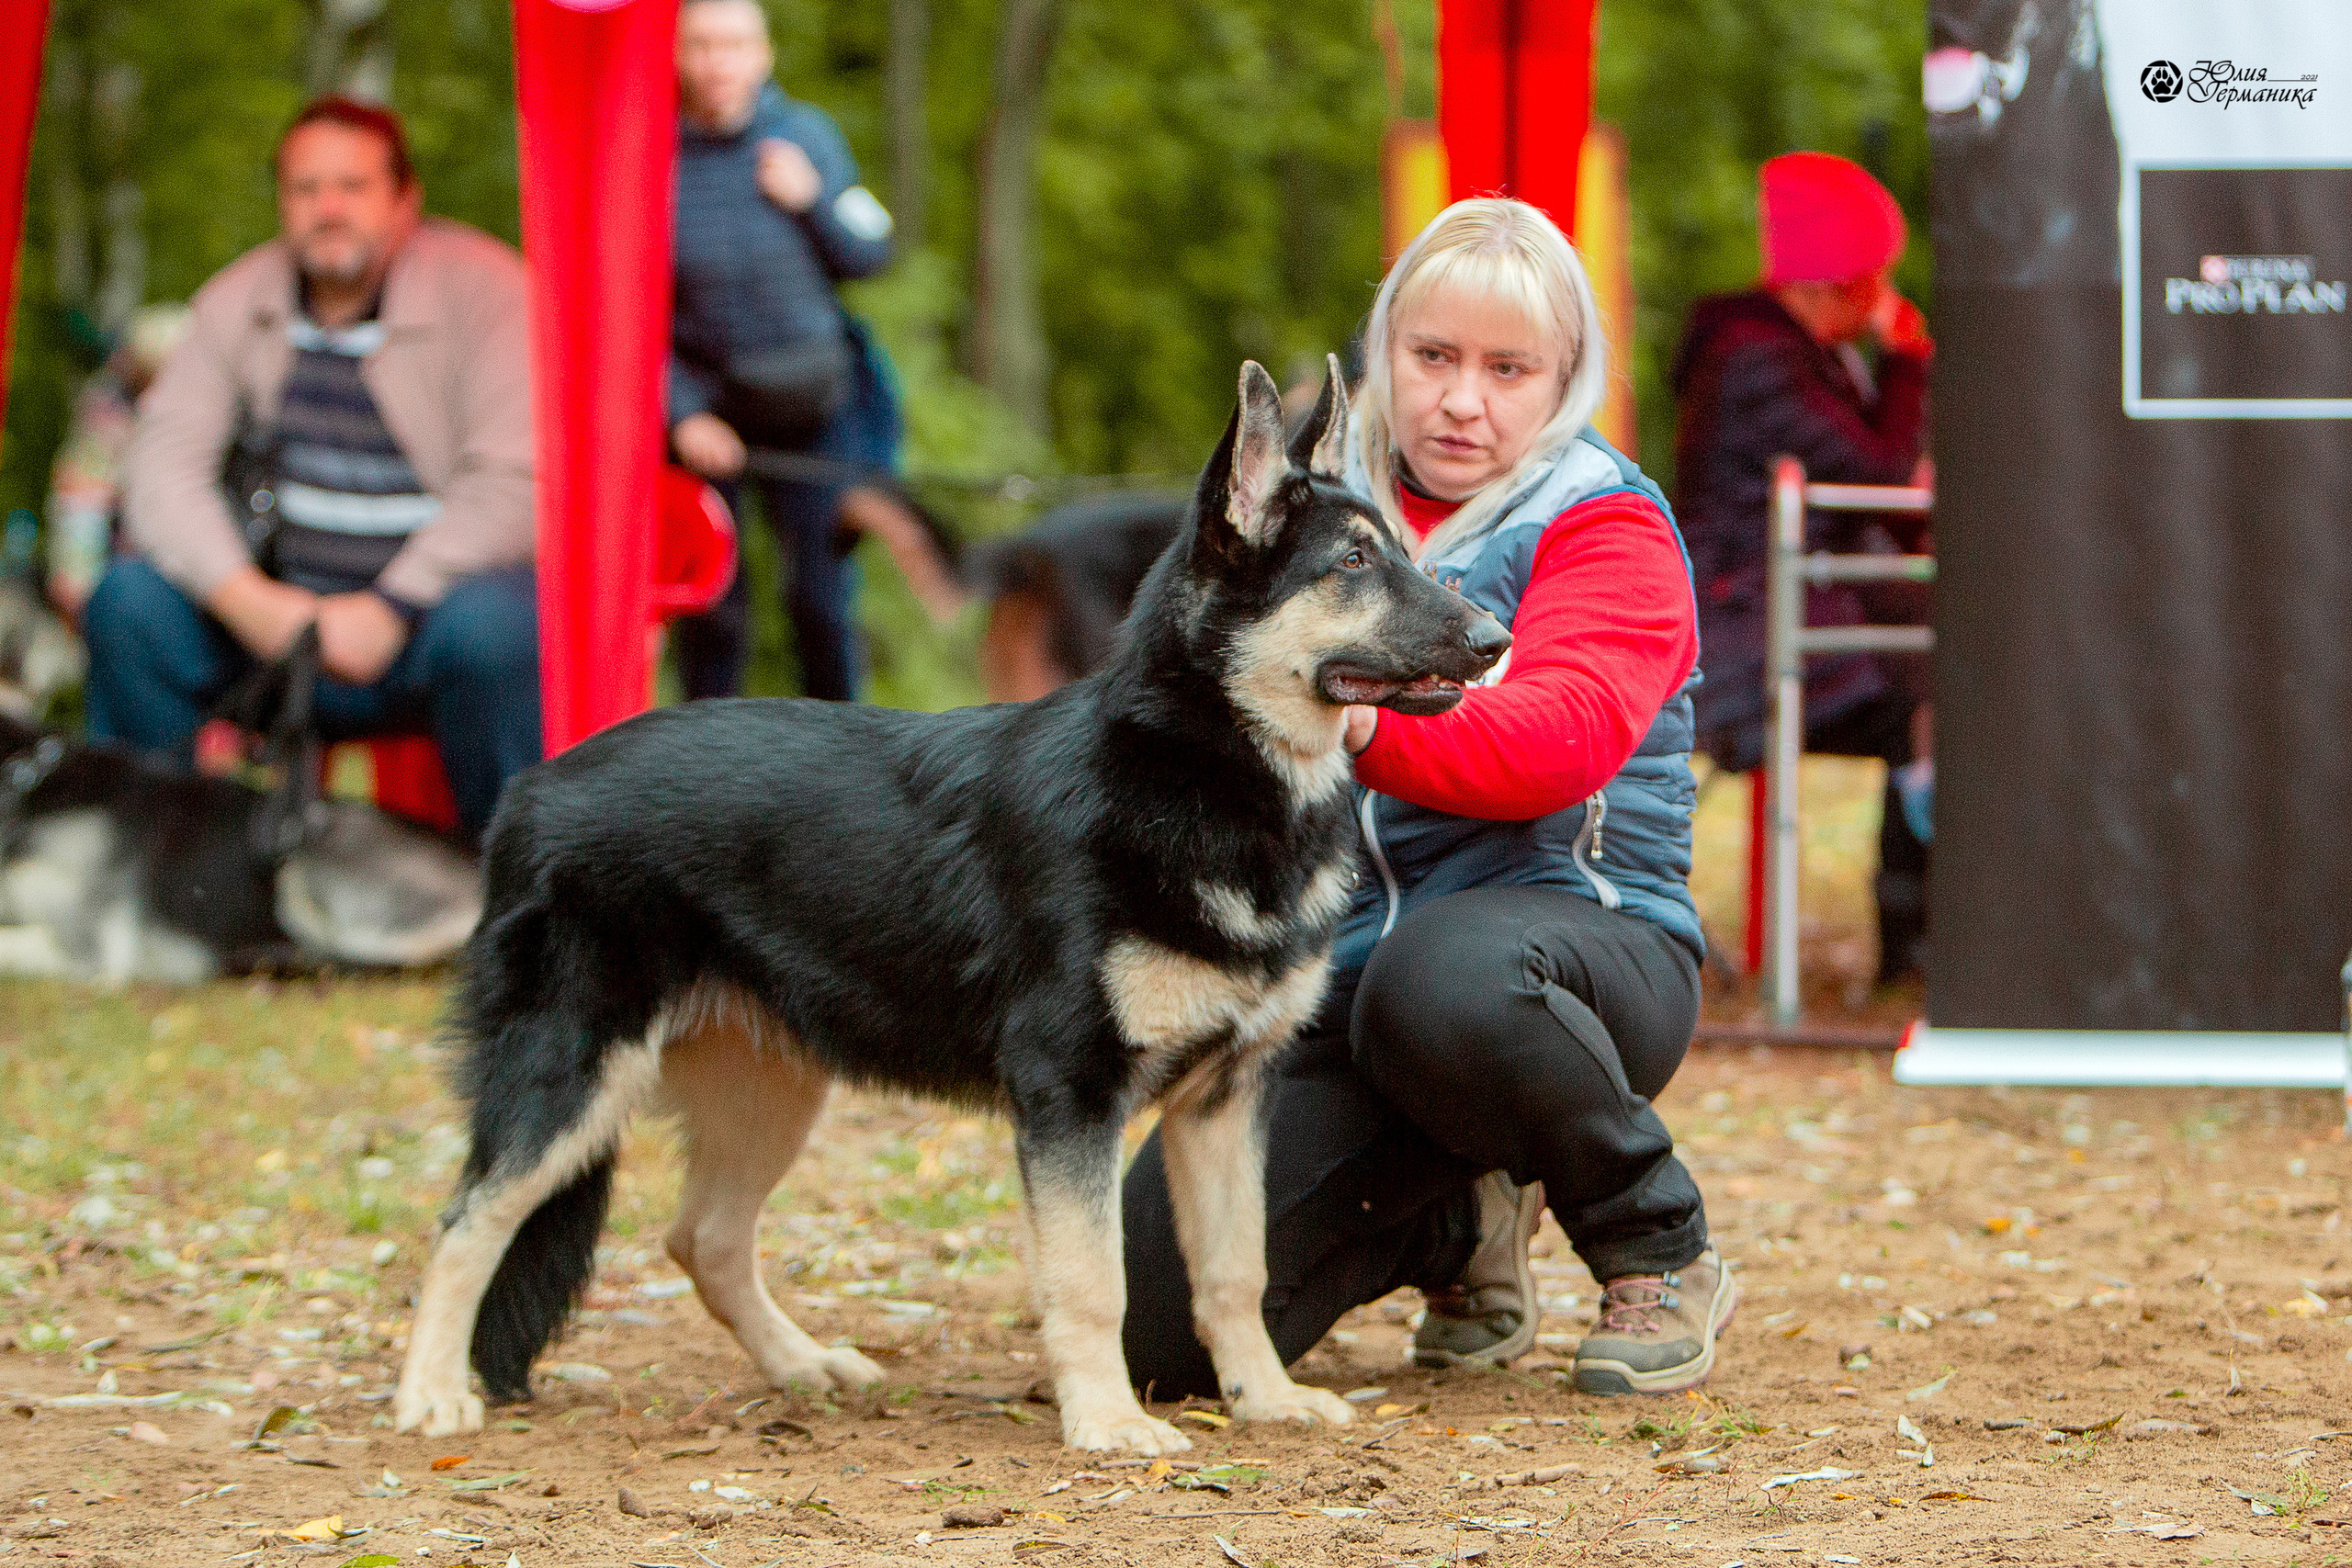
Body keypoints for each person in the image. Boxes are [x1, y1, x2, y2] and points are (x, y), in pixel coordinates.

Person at [1121, 198, 1733, 1400]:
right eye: (1433, 357)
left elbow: (1558, 740)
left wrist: (1350, 710)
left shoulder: (1606, 522)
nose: (1464, 399)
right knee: (1163, 1339)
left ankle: (1655, 1240)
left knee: (1445, 974)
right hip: (1346, 978)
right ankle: (1455, 1226)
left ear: (1564, 379)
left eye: (1509, 369)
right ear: (1383, 354)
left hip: (1585, 949)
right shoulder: (1310, 513)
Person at [85, 96, 537, 845]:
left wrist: (391, 605)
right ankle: (164, 870)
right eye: (305, 188)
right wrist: (247, 599)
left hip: (423, 628)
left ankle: (506, 882)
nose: (328, 209)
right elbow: (161, 466)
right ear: (283, 202)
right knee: (127, 602)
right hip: (269, 626)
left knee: (499, 627)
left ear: (405, 199)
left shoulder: (490, 291)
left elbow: (516, 479)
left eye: (353, 187)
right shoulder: (236, 298)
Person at [1669, 151, 1934, 983]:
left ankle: (1918, 935)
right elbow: (1884, 478)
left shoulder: (1776, 355)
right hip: (1753, 639)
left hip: (1788, 613)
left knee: (1942, 676)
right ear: (1839, 280)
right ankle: (1919, 938)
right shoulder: (1762, 360)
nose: (1887, 293)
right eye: (1877, 275)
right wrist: (1907, 360)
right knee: (1940, 690)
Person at [666, 0, 908, 701]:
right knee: (713, 609)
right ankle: (708, 778)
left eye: (734, 44)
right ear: (677, 57)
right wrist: (683, 416)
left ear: (763, 54)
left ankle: (845, 769)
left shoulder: (809, 136)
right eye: (701, 45)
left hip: (819, 408)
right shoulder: (650, 153)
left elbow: (872, 254)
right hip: (710, 419)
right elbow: (630, 314)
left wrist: (813, 198)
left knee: (823, 603)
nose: (718, 62)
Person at [45, 304, 191, 622]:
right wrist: (76, 580)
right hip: (124, 580)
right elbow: (81, 501)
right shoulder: (109, 415)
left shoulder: (210, 416)